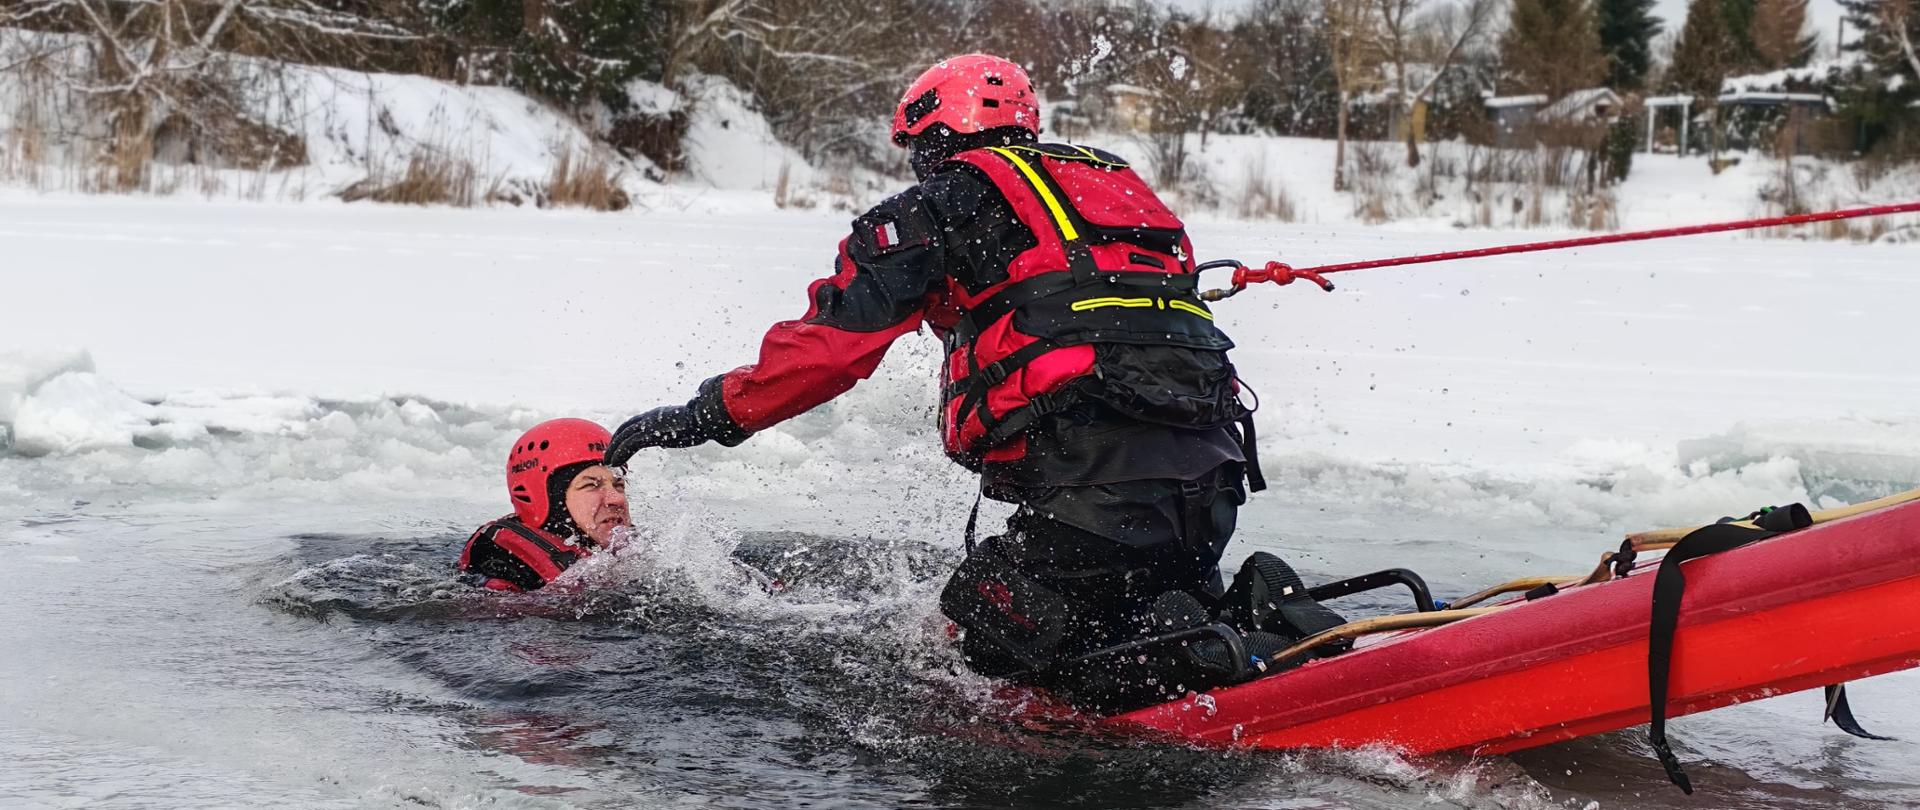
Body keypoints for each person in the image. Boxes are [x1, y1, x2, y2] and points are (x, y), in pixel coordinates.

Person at [603, 54, 1341, 709]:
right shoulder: (1108, 194)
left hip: (1091, 501)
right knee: (1129, 599)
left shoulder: (933, 208)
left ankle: (1185, 664)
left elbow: (829, 352)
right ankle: (1246, 614)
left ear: (932, 134)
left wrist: (704, 416)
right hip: (1212, 493)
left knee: (964, 651)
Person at [460, 418, 630, 592]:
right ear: (547, 499)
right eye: (591, 485)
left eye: (619, 485)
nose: (617, 499)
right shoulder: (506, 571)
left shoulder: (636, 549)